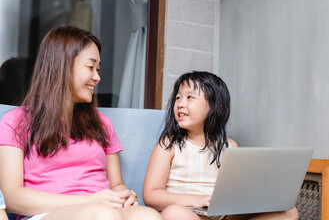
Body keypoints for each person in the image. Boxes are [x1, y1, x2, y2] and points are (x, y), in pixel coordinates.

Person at [0, 26, 162, 220]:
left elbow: (116, 184)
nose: (97, 77)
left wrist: (126, 195)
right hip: (47, 214)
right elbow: (12, 197)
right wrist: (89, 201)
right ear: (63, 65)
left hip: (104, 210)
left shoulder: (102, 123)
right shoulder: (15, 121)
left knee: (147, 216)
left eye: (98, 69)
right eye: (90, 67)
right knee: (101, 215)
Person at [143, 71, 299, 220]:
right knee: (174, 213)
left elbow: (237, 191)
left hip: (224, 216)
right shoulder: (169, 145)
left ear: (215, 107)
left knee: (289, 213)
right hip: (191, 214)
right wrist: (197, 200)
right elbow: (151, 195)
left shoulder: (229, 146)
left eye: (190, 97)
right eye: (178, 97)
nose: (180, 103)